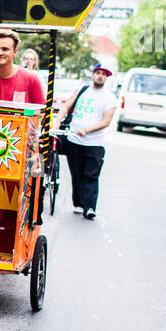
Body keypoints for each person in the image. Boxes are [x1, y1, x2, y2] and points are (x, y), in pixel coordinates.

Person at [62, 63, 118, 219]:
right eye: (98, 72)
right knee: (77, 174)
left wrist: (87, 130)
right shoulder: (82, 90)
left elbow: (106, 121)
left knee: (91, 176)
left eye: (103, 74)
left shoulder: (109, 98)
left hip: (94, 143)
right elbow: (67, 106)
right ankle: (79, 203)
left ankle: (90, 207)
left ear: (106, 77)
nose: (100, 76)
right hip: (74, 140)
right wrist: (56, 122)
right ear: (93, 74)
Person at [0, 29, 46, 105]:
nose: (0, 53)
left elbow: (41, 112)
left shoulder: (32, 78)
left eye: (5, 49)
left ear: (15, 52)